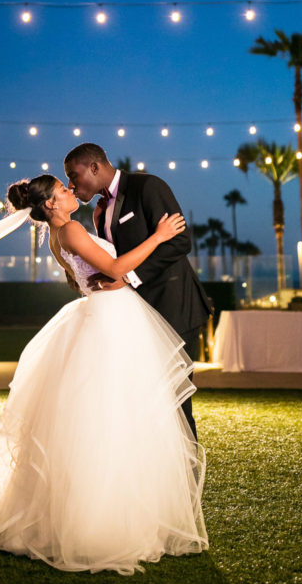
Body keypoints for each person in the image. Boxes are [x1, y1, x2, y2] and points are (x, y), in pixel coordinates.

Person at [0, 174, 208, 575]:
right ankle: (106, 521)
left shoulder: (57, 235)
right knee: (117, 415)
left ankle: (112, 509)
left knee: (106, 415)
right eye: (63, 191)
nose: (70, 192)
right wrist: (160, 235)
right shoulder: (72, 229)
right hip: (112, 320)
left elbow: (89, 275)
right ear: (51, 205)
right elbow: (116, 266)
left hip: (102, 313)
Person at [64, 143, 212, 440]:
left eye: (73, 175)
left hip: (173, 308)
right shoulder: (99, 211)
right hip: (137, 316)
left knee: (175, 399)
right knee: (145, 398)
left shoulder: (148, 186)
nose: (71, 184)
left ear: (94, 167)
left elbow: (179, 243)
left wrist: (129, 277)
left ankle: (186, 479)